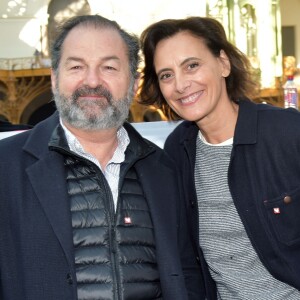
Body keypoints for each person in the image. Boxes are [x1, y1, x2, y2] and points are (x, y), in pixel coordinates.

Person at [0, 15, 203, 300]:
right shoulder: (5, 168)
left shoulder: (164, 168)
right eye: (76, 66)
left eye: (108, 67)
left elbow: (187, 271)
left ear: (134, 84)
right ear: (55, 79)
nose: (92, 81)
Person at [139, 16, 300, 299]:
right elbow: (185, 256)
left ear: (223, 63)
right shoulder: (177, 151)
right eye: (166, 75)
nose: (180, 84)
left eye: (192, 65)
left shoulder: (286, 132)